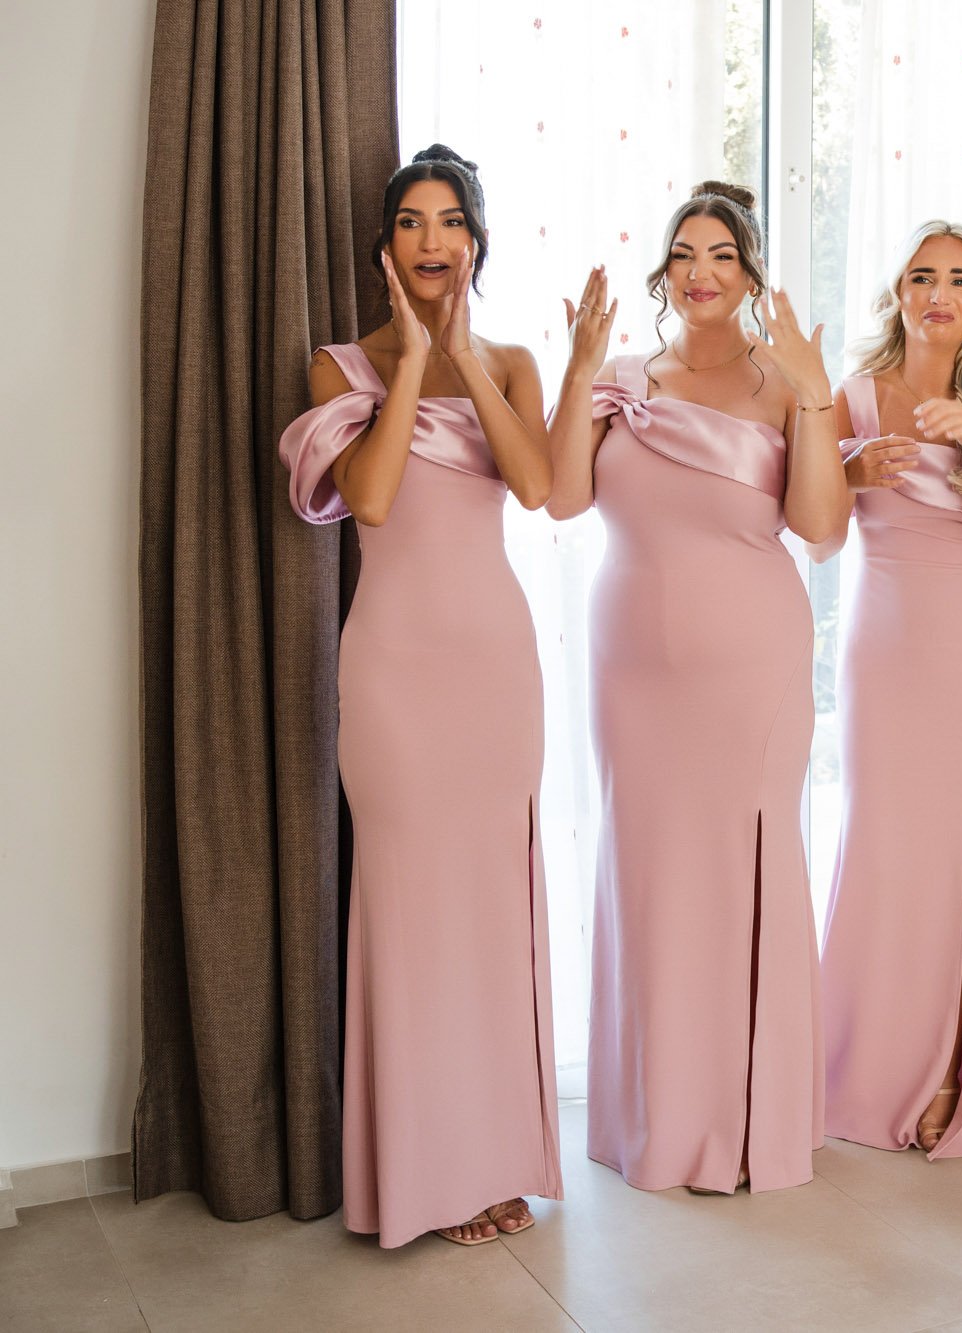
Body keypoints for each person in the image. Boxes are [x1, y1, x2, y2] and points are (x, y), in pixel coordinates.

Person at [277, 145, 560, 1247]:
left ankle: (494, 1160)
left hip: (496, 668)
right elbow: (376, 501)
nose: (431, 239)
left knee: (489, 916)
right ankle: (425, 1173)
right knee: (409, 914)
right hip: (394, 671)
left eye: (450, 222)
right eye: (410, 221)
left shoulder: (513, 361)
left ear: (476, 243)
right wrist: (408, 364)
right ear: (385, 246)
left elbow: (536, 484)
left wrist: (463, 355)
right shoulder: (337, 367)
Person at [546, 183, 848, 1196]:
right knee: (652, 877)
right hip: (631, 670)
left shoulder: (785, 385)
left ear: (750, 273)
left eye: (721, 254)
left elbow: (821, 528)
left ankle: (749, 1120)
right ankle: (658, 1117)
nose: (700, 271)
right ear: (664, 270)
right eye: (684, 252)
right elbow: (562, 498)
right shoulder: (619, 379)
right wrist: (578, 370)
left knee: (743, 869)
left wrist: (815, 396)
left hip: (750, 670)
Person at [817, 220, 962, 1157]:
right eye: (921, 276)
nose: (938, 293)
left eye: (958, 279)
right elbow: (815, 529)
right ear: (897, 292)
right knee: (885, 844)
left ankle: (955, 1066)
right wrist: (848, 467)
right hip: (881, 645)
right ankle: (863, 1060)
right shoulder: (854, 393)